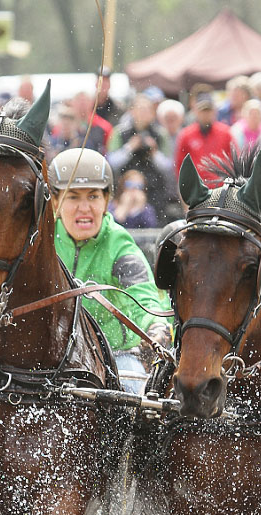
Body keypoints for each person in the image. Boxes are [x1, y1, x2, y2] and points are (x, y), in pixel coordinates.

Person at [49, 148, 170, 392]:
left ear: (107, 201)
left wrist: (156, 326)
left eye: (93, 196)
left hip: (116, 356)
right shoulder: (42, 240)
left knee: (137, 397)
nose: (84, 207)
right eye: (73, 197)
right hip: (52, 356)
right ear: (55, 201)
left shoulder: (119, 244)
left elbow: (143, 296)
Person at [107, 93, 173, 222]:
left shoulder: (160, 134)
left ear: (153, 113)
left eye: (147, 110)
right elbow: (112, 162)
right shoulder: (120, 132)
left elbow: (168, 166)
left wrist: (154, 152)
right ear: (132, 111)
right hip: (125, 190)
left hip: (154, 191)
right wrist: (129, 148)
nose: (144, 113)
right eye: (140, 109)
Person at [173, 92, 235, 183]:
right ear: (196, 112)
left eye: (208, 111)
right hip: (196, 186)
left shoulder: (226, 133)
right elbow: (180, 163)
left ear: (214, 112)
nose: (205, 114)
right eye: (202, 111)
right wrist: (184, 185)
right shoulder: (186, 134)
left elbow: (234, 161)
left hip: (222, 186)